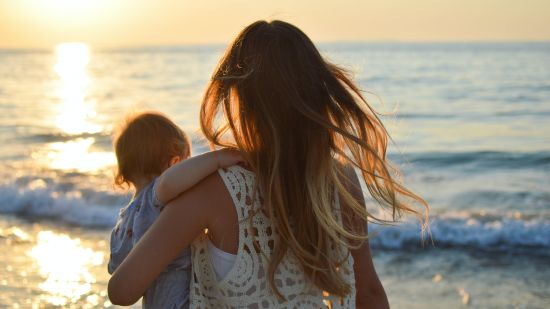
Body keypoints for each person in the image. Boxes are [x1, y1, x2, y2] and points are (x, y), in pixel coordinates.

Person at [108, 20, 428, 308]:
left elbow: (122, 291)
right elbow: (368, 292)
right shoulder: (340, 179)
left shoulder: (213, 189)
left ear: (237, 99)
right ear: (316, 91)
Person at [108, 111, 243, 308]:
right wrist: (218, 159)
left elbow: (116, 268)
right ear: (175, 162)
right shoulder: (153, 198)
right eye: (187, 161)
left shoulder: (122, 223)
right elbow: (167, 184)